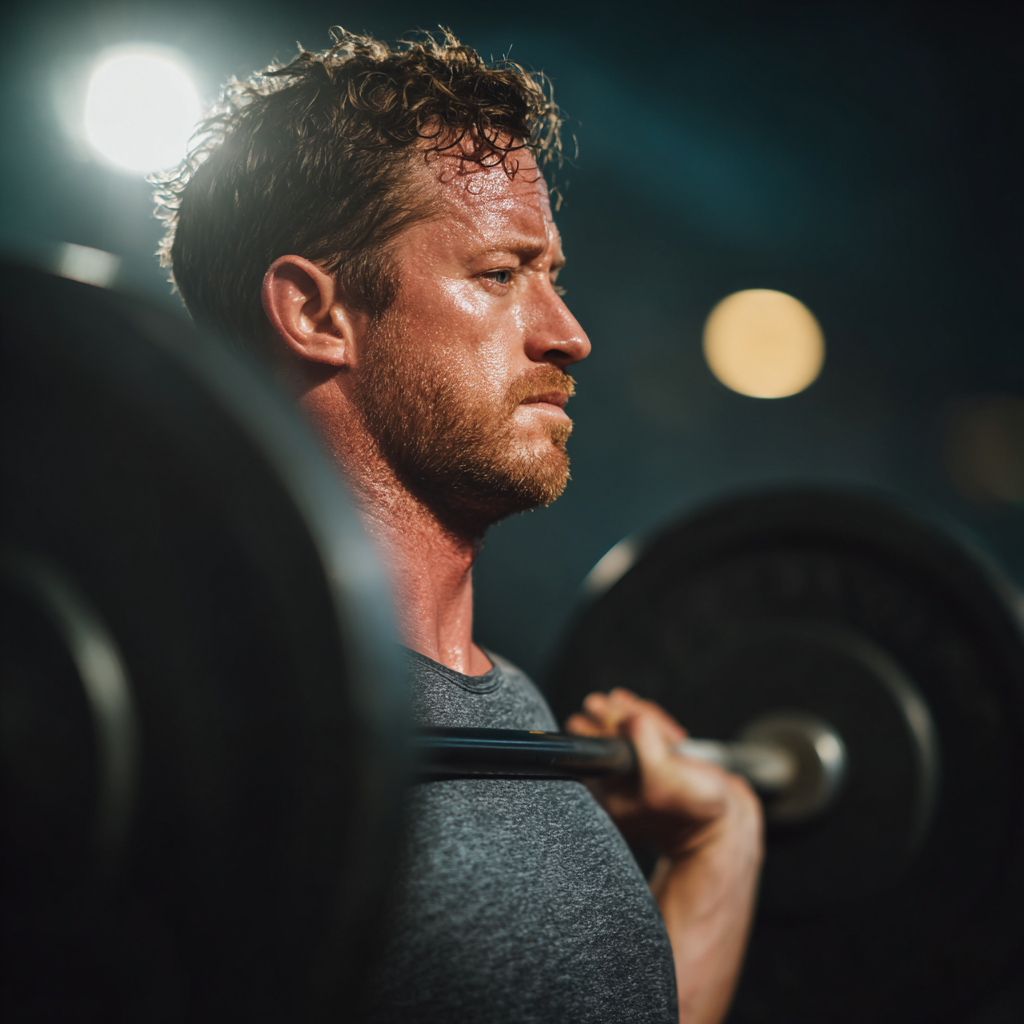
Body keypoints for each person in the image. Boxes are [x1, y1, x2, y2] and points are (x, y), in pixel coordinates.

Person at [157, 29, 763, 1023]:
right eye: (499, 274)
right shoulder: (222, 743)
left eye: (552, 274)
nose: (568, 334)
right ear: (315, 312)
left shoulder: (509, 704)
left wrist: (716, 846)